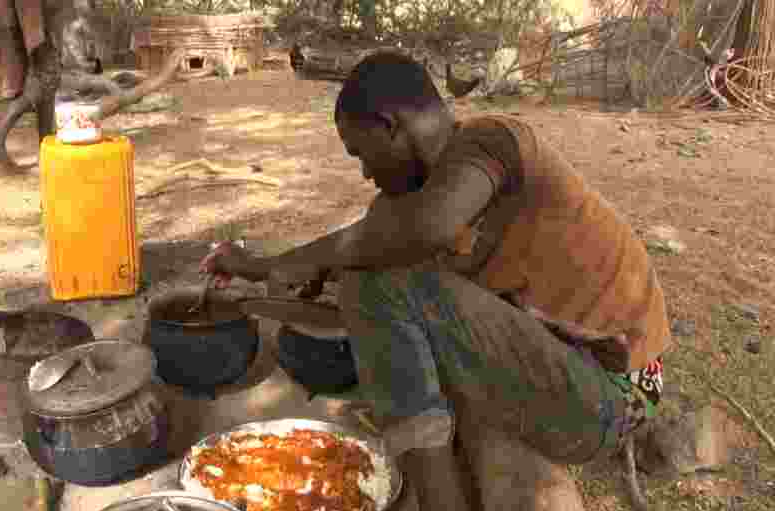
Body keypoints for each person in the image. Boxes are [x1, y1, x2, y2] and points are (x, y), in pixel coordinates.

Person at [201, 49, 669, 482]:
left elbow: (429, 228)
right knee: (346, 321)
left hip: (611, 398)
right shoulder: (408, 200)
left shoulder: (492, 142)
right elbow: (374, 254)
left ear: (390, 126)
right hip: (554, 378)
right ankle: (428, 468)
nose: (364, 172)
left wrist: (289, 262)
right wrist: (269, 273)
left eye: (360, 153)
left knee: (377, 287)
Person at [0, 0, 61, 168]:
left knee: (44, 78)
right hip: (28, 14)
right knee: (47, 74)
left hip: (17, 18)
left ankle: (46, 149)